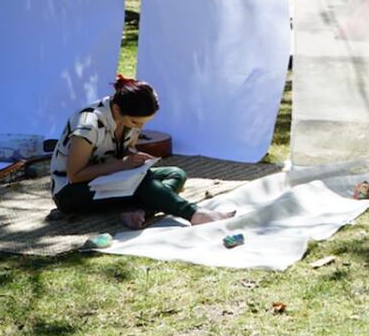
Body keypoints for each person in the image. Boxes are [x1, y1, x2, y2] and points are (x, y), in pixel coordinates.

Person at [50, 75, 235, 229]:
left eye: (143, 123)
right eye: (135, 123)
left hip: (107, 181)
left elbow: (122, 150)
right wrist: (122, 165)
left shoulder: (126, 118)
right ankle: (194, 213)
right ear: (116, 109)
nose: (139, 127)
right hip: (71, 192)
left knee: (175, 173)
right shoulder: (88, 124)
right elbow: (75, 175)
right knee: (144, 184)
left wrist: (133, 157)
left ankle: (139, 211)